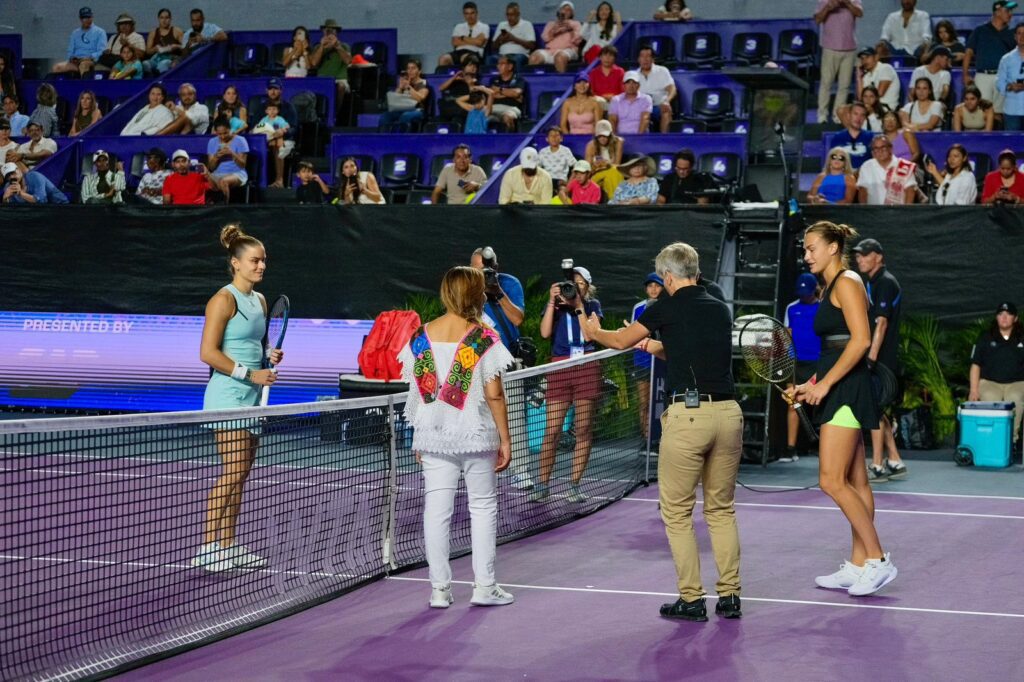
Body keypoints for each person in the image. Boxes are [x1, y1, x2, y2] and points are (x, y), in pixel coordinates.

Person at [580, 242, 743, 620]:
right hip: (728, 415)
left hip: (688, 419)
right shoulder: (720, 308)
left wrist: (594, 331)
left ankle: (691, 599)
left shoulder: (665, 305)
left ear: (668, 277)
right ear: (695, 272)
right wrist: (654, 344)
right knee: (721, 510)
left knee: (677, 512)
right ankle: (731, 596)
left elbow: (620, 341)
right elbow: (688, 351)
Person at [396, 266, 515, 609]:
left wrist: (420, 434)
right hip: (476, 436)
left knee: (437, 510)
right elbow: (494, 394)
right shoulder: (482, 337)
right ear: (476, 295)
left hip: (433, 436)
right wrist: (506, 440)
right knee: (482, 507)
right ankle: (484, 587)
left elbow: (418, 390)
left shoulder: (421, 335)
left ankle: (439, 591)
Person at [790, 222, 898, 597]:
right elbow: (836, 346)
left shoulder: (849, 281)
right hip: (840, 381)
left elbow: (862, 341)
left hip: (849, 390)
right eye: (805, 249)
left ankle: (878, 559)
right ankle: (857, 564)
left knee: (831, 480)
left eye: (812, 247)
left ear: (834, 246)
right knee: (855, 482)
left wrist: (827, 384)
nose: (807, 255)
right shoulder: (833, 286)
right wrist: (810, 384)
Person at [192, 225, 283, 573]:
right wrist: (250, 373)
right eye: (255, 261)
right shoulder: (223, 299)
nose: (261, 266)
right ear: (235, 263)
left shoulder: (259, 300)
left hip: (252, 395)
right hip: (228, 393)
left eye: (263, 261)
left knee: (242, 473)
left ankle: (227, 546)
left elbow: (255, 349)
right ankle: (207, 547)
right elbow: (208, 353)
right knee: (232, 471)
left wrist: (268, 357)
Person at [530, 264, 603, 504]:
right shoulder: (557, 307)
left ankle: (573, 485)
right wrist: (552, 302)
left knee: (582, 429)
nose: (574, 287)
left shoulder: (592, 306)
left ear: (587, 286)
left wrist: (579, 307)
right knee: (552, 431)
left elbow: (592, 335)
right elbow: (544, 333)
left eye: (579, 283)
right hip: (560, 366)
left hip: (587, 365)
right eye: (571, 283)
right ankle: (542, 486)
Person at [469, 246, 532, 490]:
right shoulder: (467, 284)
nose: (484, 272)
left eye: (488, 267)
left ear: (497, 266)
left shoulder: (509, 283)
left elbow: (517, 319)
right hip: (475, 360)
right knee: (476, 418)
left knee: (514, 416)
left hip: (506, 360)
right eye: (478, 268)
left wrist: (497, 291)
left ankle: (521, 470)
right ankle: (477, 467)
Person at [852, 238, 908, 484]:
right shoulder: (873, 282)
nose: (860, 259)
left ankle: (876, 465)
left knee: (874, 411)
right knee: (880, 411)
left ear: (879, 257)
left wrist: (871, 358)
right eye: (858, 256)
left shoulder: (885, 282)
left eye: (865, 255)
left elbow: (881, 323)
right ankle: (894, 460)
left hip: (881, 359)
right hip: (880, 358)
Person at [969, 302, 1024, 449]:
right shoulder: (985, 337)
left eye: (1008, 314)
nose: (1004, 318)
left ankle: (1011, 441)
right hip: (990, 382)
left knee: (1015, 400)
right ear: (996, 318)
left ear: (1015, 318)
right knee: (989, 400)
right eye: (1000, 314)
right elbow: (975, 365)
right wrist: (973, 390)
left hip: (1017, 383)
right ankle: (991, 439)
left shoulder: (1022, 337)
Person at [782, 273, 821, 462]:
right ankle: (791, 449)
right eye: (801, 292)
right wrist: (788, 361)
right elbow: (787, 335)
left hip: (817, 363)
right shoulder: (791, 308)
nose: (804, 295)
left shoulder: (823, 307)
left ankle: (823, 447)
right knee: (794, 404)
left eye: (807, 292)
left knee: (821, 403)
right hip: (796, 363)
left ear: (814, 289)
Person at [964, 2, 1017, 120]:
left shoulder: (1012, 34)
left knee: (1000, 112)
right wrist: (965, 74)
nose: (1010, 14)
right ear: (997, 12)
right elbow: (968, 52)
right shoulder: (980, 31)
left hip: (1003, 76)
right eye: (1007, 11)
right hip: (983, 75)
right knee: (981, 111)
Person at [629, 272, 664, 442]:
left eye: (657, 285)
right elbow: (632, 334)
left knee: (661, 402)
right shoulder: (638, 308)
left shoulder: (668, 305)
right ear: (646, 289)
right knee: (644, 402)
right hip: (642, 361)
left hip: (663, 361)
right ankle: (647, 438)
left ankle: (660, 438)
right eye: (650, 285)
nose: (654, 288)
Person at [816, 0, 864, 125]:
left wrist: (847, 3)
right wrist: (828, 8)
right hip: (830, 47)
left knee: (844, 85)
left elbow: (859, 13)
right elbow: (817, 19)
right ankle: (822, 115)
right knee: (826, 83)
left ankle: (838, 115)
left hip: (849, 47)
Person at [857, 137, 917, 205]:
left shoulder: (904, 166)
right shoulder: (866, 166)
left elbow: (910, 190)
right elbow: (862, 191)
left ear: (890, 149)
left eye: (883, 147)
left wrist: (907, 211)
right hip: (873, 212)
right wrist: (864, 212)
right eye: (876, 148)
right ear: (872, 152)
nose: (880, 151)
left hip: (899, 212)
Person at [51, 7, 106, 77]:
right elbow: (70, 51)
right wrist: (72, 58)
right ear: (80, 19)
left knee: (84, 65)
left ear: (92, 17)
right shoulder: (75, 33)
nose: (88, 20)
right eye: (85, 18)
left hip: (90, 61)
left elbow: (101, 51)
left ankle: (84, 87)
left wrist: (89, 57)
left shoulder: (100, 32)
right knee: (57, 67)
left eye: (89, 17)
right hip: (76, 61)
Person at [530, 1, 583, 73]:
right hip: (550, 51)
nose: (565, 11)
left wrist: (571, 30)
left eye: (568, 10)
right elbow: (545, 38)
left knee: (559, 57)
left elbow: (578, 41)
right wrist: (553, 32)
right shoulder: (551, 24)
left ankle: (561, 83)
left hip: (568, 50)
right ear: (559, 11)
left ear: (572, 13)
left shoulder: (576, 24)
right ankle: (535, 82)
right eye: (563, 9)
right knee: (534, 57)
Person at [206, 118, 249, 202]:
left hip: (237, 173)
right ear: (216, 132)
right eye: (219, 134)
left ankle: (225, 210)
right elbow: (211, 167)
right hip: (217, 173)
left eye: (225, 133)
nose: (222, 136)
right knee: (201, 178)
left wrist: (232, 154)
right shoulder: (212, 142)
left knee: (223, 181)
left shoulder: (240, 140)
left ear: (230, 129)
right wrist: (216, 157)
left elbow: (242, 165)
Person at [635, 45, 677, 133]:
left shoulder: (662, 71)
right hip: (641, 108)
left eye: (648, 56)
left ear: (653, 59)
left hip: (659, 106)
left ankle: (664, 142)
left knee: (666, 111)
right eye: (642, 56)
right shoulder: (634, 75)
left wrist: (667, 101)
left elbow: (672, 88)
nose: (645, 59)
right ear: (638, 59)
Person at [309, 19, 351, 104]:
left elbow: (348, 61)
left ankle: (335, 115)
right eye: (327, 31)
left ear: (336, 33)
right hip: (322, 79)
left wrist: (337, 46)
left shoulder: (344, 46)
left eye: (332, 31)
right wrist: (322, 46)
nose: (329, 33)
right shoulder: (317, 47)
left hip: (339, 80)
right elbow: (313, 63)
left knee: (340, 87)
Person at [251, 102, 292, 188]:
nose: (272, 111)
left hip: (276, 139)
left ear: (278, 111)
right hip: (265, 141)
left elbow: (287, 126)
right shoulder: (264, 120)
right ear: (266, 111)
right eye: (270, 109)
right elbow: (258, 128)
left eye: (274, 109)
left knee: (279, 139)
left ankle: (279, 180)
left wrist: (283, 129)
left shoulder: (279, 119)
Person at [439, 3, 490, 68]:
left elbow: (479, 43)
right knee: (443, 58)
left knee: (465, 57)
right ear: (464, 15)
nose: (469, 16)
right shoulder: (458, 26)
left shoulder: (484, 27)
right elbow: (454, 42)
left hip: (474, 53)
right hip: (458, 52)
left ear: (477, 13)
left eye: (472, 13)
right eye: (467, 14)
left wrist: (462, 38)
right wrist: (474, 40)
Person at [491, 2, 536, 69]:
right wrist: (500, 39)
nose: (509, 18)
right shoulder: (502, 25)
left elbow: (532, 45)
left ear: (518, 14)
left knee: (516, 59)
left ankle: (516, 79)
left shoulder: (527, 24)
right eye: (507, 15)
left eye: (512, 15)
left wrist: (513, 39)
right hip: (502, 55)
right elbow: (493, 47)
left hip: (519, 55)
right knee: (490, 59)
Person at [586, 119, 624, 197]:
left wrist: (607, 164)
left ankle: (614, 201)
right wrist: (595, 166)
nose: (602, 139)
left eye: (605, 136)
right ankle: (615, 200)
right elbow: (587, 169)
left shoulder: (618, 142)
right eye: (600, 136)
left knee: (613, 173)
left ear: (610, 135)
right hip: (597, 173)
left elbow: (617, 165)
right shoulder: (591, 145)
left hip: (612, 171)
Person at [487, 56, 526, 132]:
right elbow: (492, 94)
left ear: (510, 66)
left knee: (508, 118)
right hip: (494, 108)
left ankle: (509, 141)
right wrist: (509, 93)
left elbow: (515, 93)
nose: (498, 66)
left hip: (511, 108)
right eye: (498, 64)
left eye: (502, 64)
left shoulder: (519, 79)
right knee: (480, 117)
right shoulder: (494, 80)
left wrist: (499, 90)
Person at [831, 101, 873, 170]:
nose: (858, 118)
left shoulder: (871, 137)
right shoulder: (838, 137)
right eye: (855, 114)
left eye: (862, 115)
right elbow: (832, 163)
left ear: (865, 118)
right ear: (849, 115)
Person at [997, 22, 1024, 130]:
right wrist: (1010, 86)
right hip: (1012, 110)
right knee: (1013, 145)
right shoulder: (1006, 59)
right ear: (1015, 37)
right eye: (1019, 33)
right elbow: (999, 82)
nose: (1022, 37)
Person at [1, 162, 68, 205]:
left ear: (19, 170)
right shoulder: (8, 187)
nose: (12, 177)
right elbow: (10, 209)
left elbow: (42, 201)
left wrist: (21, 193)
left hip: (61, 206)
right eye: (8, 176)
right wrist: (5, 199)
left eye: (13, 173)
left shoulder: (34, 177)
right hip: (37, 213)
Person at [856, 47, 900, 113]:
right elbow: (860, 97)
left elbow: (879, 93)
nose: (864, 61)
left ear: (876, 57)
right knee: (843, 110)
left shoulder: (885, 68)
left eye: (867, 57)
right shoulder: (867, 75)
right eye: (862, 58)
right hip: (870, 107)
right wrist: (859, 78)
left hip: (886, 108)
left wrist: (865, 103)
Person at [143, 8, 185, 76]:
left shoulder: (177, 31)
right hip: (156, 58)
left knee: (164, 64)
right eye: (162, 18)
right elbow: (148, 51)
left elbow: (185, 47)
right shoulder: (153, 32)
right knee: (145, 64)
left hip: (171, 59)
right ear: (158, 19)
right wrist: (155, 49)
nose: (164, 20)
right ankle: (150, 82)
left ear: (170, 19)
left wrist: (175, 46)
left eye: (166, 18)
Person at [438, 59, 481, 123]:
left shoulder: (476, 84)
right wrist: (454, 77)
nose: (473, 68)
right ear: (463, 68)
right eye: (470, 65)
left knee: (457, 120)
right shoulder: (455, 81)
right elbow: (441, 88)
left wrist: (469, 84)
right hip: (450, 107)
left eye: (475, 66)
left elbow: (474, 99)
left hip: (462, 108)